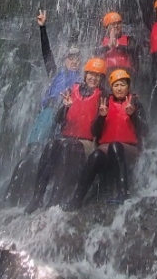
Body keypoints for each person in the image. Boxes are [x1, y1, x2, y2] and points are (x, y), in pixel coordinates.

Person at [4, 10, 81, 204]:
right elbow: (46, 52)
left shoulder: (82, 80)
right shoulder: (56, 73)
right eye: (70, 58)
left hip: (65, 116)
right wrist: (42, 28)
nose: (74, 61)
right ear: (64, 60)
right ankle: (11, 196)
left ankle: (44, 196)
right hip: (48, 113)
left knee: (52, 155)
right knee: (32, 152)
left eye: (77, 58)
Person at [24, 57, 108, 213]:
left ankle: (55, 197)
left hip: (88, 142)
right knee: (51, 145)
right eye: (91, 74)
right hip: (67, 138)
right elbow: (58, 121)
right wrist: (65, 108)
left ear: (102, 79)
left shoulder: (104, 97)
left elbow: (99, 131)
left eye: (98, 76)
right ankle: (37, 196)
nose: (93, 78)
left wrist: (102, 116)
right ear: (85, 75)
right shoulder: (72, 90)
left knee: (69, 145)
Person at [65, 69, 147, 209]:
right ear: (111, 87)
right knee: (96, 155)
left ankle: (123, 193)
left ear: (128, 86)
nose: (119, 88)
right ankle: (77, 198)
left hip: (129, 149)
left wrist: (133, 115)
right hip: (106, 147)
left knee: (115, 146)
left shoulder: (135, 103)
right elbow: (94, 131)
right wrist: (102, 117)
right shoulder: (105, 103)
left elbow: (145, 131)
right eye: (116, 85)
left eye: (122, 84)